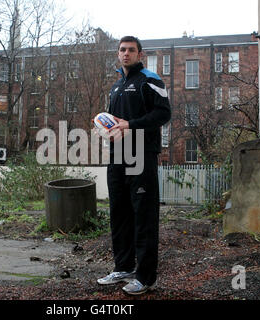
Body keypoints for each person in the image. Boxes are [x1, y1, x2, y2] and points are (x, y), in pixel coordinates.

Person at [96, 36, 171, 295]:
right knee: (120, 214)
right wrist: (104, 130)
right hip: (117, 158)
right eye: (122, 50)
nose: (125, 54)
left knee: (144, 217)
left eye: (130, 50)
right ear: (118, 54)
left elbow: (164, 114)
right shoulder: (116, 87)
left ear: (140, 53)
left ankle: (145, 277)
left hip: (142, 156)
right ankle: (123, 267)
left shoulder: (150, 80)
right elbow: (114, 122)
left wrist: (131, 124)